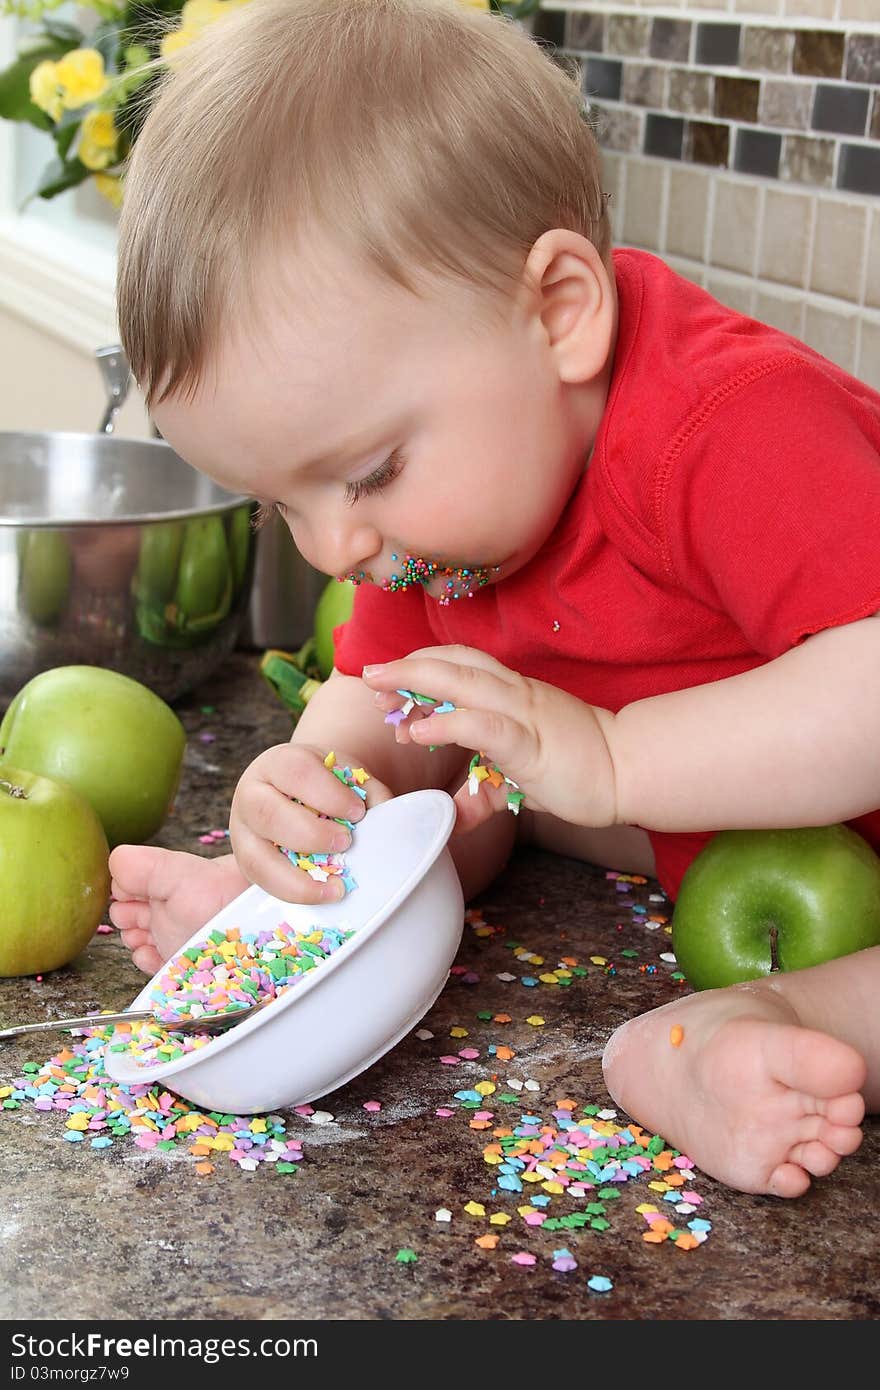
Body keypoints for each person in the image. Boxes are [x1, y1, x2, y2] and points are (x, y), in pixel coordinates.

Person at [108, 0, 880, 1198]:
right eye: (279, 505)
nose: (333, 547)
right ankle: (290, 921)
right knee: (470, 787)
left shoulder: (734, 428)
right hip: (713, 845)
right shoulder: (440, 534)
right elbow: (387, 700)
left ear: (559, 312)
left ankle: (730, 1032)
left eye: (366, 474)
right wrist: (317, 789)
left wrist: (612, 758)